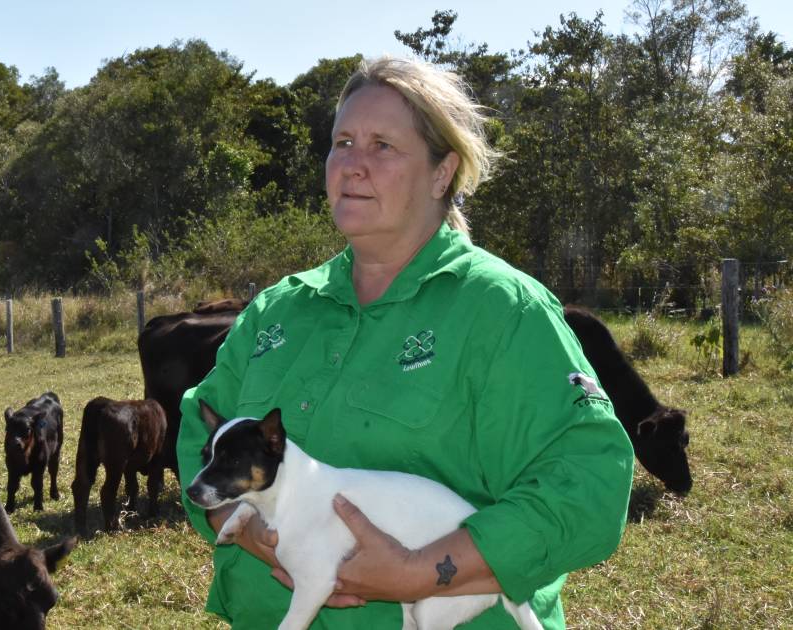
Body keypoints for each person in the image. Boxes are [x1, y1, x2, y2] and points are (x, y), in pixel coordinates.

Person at [176, 56, 635, 629]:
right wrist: (250, 533)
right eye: (342, 142)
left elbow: (588, 482)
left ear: (442, 174)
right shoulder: (279, 309)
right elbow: (201, 423)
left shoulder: (504, 311)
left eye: (382, 146)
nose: (353, 165)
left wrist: (418, 571)